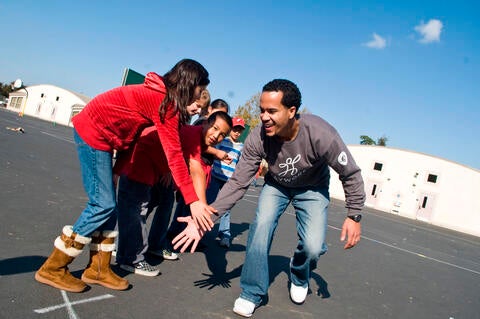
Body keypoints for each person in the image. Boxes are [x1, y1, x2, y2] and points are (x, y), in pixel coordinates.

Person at [173, 79, 365, 317]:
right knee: (260, 229)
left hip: (312, 189)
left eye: (272, 111)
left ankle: (299, 273)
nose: (264, 117)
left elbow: (350, 173)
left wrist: (354, 214)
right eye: (262, 110)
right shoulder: (259, 137)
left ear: (292, 111)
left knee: (313, 247)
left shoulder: (320, 134)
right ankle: (251, 292)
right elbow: (238, 183)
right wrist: (207, 218)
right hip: (277, 185)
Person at [35, 58, 215, 293]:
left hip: (106, 139)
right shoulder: (164, 103)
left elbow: (132, 133)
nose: (198, 97)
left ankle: (98, 269)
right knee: (102, 204)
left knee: (107, 206)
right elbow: (174, 155)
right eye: (199, 90)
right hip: (94, 133)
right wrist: (193, 201)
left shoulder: (161, 98)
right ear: (188, 84)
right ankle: (53, 268)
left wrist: (118, 170)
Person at [115, 111, 232, 276]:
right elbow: (196, 169)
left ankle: (153, 245)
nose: (216, 136)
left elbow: (200, 148)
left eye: (222, 135)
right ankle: (129, 257)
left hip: (159, 168)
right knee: (137, 209)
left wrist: (218, 153)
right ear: (205, 123)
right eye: (215, 128)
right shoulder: (193, 135)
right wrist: (201, 205)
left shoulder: (198, 138)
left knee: (165, 200)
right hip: (142, 159)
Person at [206, 116, 246, 249]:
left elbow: (240, 164)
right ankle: (201, 230)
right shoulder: (223, 141)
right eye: (235, 129)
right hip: (216, 176)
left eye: (240, 130)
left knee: (226, 208)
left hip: (228, 181)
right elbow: (213, 152)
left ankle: (225, 235)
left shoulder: (241, 147)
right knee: (210, 203)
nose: (237, 132)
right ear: (231, 129)